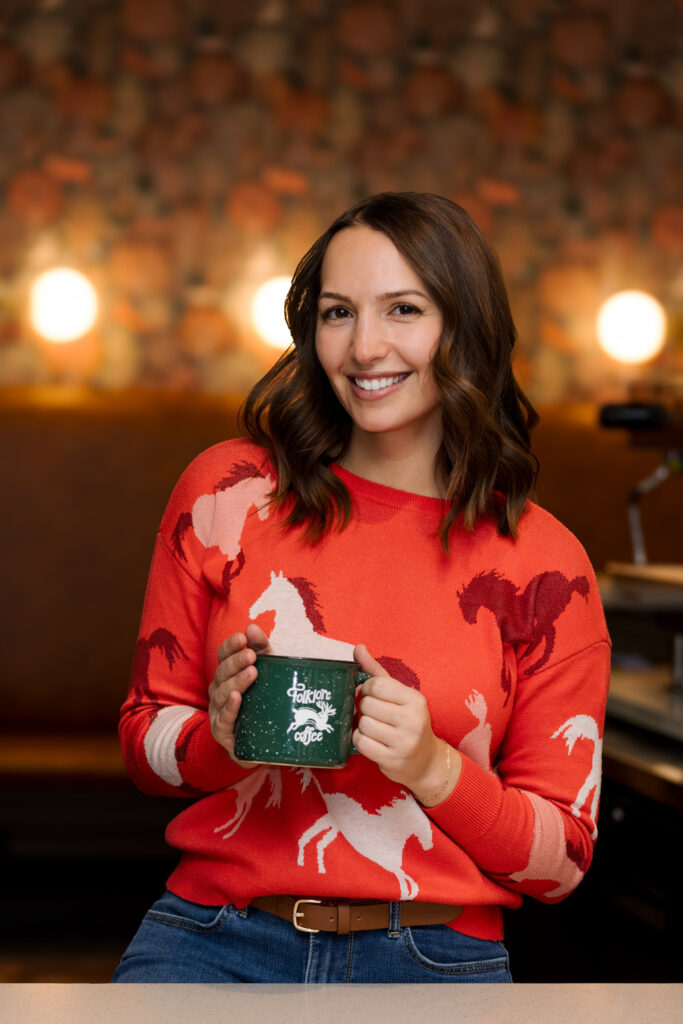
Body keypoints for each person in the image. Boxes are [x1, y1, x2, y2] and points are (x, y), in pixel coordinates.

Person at [113, 192, 610, 983]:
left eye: (403, 309)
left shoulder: (545, 564)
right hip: (214, 935)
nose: (364, 347)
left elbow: (562, 865)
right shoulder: (229, 493)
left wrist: (432, 767)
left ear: (465, 328)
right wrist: (218, 737)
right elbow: (144, 743)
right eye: (338, 312)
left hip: (435, 956)